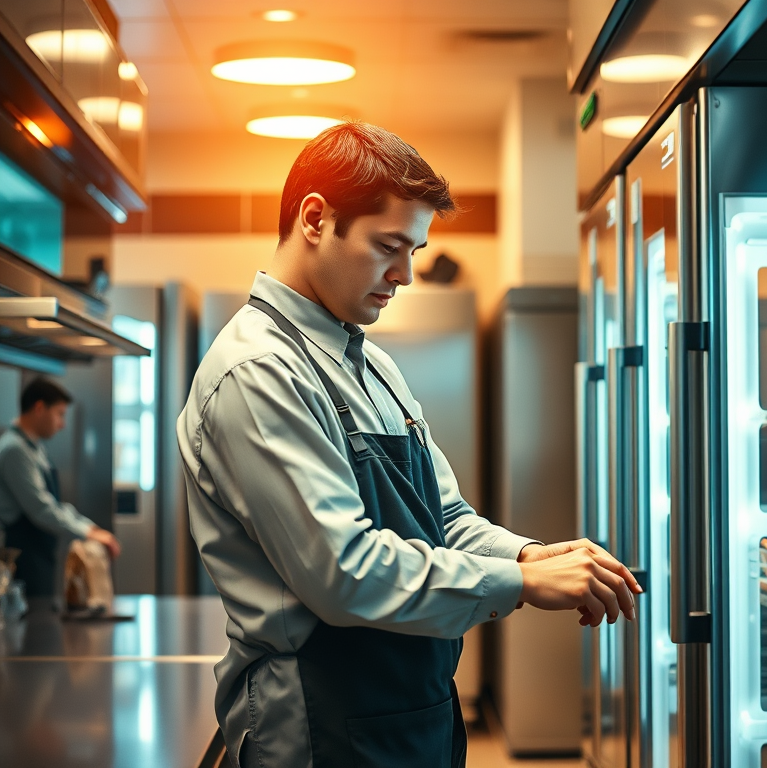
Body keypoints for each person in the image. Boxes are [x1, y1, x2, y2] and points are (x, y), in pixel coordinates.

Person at [177, 121, 642, 768]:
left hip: (411, 713)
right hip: (319, 728)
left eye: (415, 250)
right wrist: (519, 581)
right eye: (389, 246)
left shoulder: (371, 365)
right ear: (315, 218)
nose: (405, 274)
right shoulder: (259, 373)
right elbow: (344, 573)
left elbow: (444, 520)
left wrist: (533, 554)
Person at [0, 378, 121, 603]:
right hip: (21, 558)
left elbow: (54, 504)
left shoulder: (34, 448)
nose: (62, 424)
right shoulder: (14, 450)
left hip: (38, 554)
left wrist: (89, 527)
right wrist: (87, 533)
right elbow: (42, 509)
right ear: (39, 408)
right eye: (59, 414)